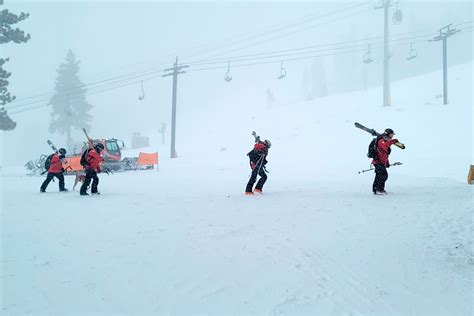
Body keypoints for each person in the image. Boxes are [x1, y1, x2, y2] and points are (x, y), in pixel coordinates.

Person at [372, 128, 400, 195]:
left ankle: (376, 189)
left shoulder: (386, 140)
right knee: (384, 175)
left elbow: (385, 154)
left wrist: (387, 163)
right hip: (378, 161)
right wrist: (393, 141)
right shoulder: (382, 141)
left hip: (381, 162)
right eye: (391, 134)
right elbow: (384, 146)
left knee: (379, 176)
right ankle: (379, 190)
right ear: (387, 134)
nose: (392, 136)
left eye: (393, 135)